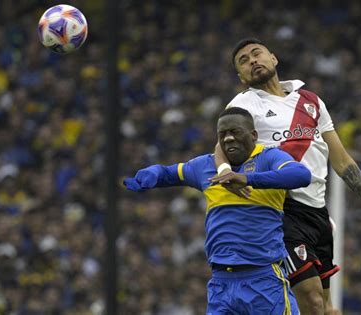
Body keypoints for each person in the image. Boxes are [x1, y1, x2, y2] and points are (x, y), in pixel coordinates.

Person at [214, 37, 361, 315]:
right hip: (280, 212)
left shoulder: (311, 101)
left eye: (256, 54)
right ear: (241, 76)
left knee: (326, 309)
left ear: (273, 58)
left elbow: (341, 159)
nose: (252, 61)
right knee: (311, 301)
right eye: (244, 61)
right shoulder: (245, 104)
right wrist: (225, 171)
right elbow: (221, 145)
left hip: (318, 214)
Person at [124, 107, 312, 314]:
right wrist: (154, 172)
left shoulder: (268, 158)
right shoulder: (205, 166)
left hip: (264, 280)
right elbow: (170, 173)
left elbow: (301, 175)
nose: (229, 138)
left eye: (235, 131)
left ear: (254, 135)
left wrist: (248, 179)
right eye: (223, 134)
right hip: (221, 285)